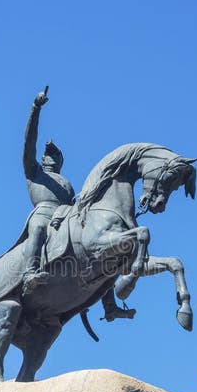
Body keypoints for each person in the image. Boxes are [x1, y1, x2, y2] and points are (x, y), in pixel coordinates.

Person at [22, 88, 135, 322]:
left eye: (55, 155)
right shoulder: (34, 173)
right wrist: (35, 108)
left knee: (97, 243)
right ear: (42, 160)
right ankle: (31, 272)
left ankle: (109, 304)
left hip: (68, 214)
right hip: (44, 212)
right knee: (38, 226)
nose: (50, 157)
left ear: (61, 161)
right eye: (48, 155)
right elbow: (29, 141)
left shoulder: (67, 183)